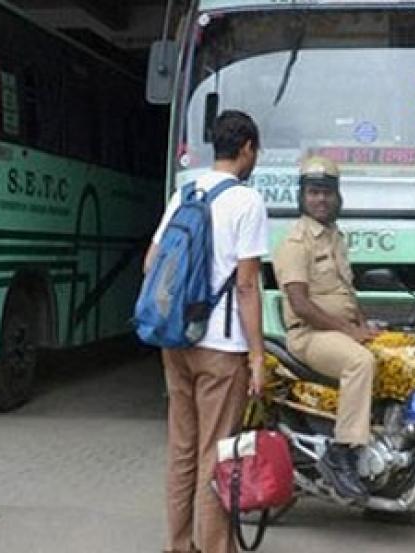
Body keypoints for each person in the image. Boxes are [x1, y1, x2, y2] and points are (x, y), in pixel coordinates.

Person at [145, 110, 269, 553]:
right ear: (248, 148)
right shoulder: (247, 202)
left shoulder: (185, 192)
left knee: (182, 448)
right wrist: (257, 357)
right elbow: (248, 284)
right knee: (217, 453)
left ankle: (180, 545)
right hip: (221, 348)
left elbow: (150, 265)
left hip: (175, 341)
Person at [271, 155, 375, 500]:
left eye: (327, 192)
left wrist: (364, 323)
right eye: (314, 192)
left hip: (338, 330)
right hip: (309, 336)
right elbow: (300, 304)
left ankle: (388, 469)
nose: (321, 199)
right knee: (360, 362)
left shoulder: (334, 237)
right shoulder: (295, 243)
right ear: (302, 196)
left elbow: (346, 290)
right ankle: (342, 451)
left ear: (338, 196)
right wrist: (350, 333)